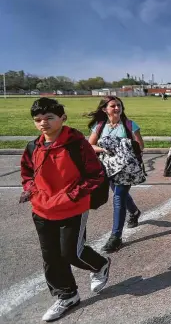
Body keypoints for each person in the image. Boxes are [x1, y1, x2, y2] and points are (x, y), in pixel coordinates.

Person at [20, 98, 111, 322]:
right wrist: (33, 192)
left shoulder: (77, 144)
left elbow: (95, 175)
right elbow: (27, 174)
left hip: (72, 208)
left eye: (49, 118)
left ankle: (100, 264)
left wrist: (71, 195)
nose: (43, 123)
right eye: (38, 120)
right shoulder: (33, 146)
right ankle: (66, 295)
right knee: (51, 257)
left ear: (62, 118)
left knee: (71, 252)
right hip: (42, 210)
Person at [87, 96, 144, 253]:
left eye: (119, 105)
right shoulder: (100, 126)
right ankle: (134, 211)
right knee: (121, 195)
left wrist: (122, 145)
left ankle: (116, 237)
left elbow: (140, 145)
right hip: (107, 167)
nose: (117, 108)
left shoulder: (129, 125)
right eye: (113, 106)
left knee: (118, 198)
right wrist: (104, 149)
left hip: (125, 168)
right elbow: (90, 145)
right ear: (105, 109)